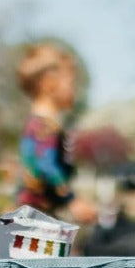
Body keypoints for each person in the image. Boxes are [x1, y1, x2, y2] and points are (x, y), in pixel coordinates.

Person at [14, 42, 97, 225]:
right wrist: (73, 201)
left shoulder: (43, 125)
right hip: (35, 220)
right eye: (71, 83)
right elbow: (45, 166)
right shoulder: (43, 127)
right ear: (49, 83)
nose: (74, 90)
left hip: (38, 217)